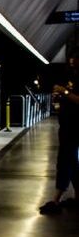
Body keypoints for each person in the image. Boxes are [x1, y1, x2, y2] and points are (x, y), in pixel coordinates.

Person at [40, 60, 79, 214]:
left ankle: (56, 200)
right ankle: (77, 198)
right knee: (73, 163)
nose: (71, 65)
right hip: (67, 127)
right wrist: (59, 96)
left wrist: (65, 92)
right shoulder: (72, 78)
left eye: (74, 63)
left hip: (75, 128)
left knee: (65, 161)